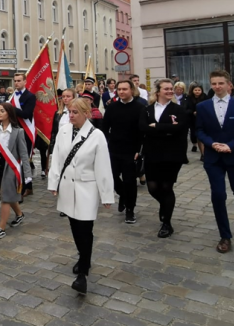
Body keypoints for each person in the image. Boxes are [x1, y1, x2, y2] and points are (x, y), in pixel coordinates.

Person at [48, 98, 114, 295]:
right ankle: (83, 256)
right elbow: (57, 159)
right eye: (70, 111)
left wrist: (106, 194)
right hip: (68, 186)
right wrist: (54, 182)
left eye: (76, 112)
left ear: (87, 114)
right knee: (75, 227)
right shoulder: (64, 131)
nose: (71, 115)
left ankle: (83, 273)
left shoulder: (97, 135)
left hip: (87, 188)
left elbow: (103, 166)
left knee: (85, 228)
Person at [196, 70, 234, 253]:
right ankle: (225, 236)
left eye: (220, 83)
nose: (217, 86)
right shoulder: (203, 106)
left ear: (229, 85)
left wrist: (231, 146)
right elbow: (199, 131)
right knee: (218, 195)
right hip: (214, 158)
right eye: (213, 83)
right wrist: (210, 143)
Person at [140, 79, 189, 238]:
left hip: (172, 154)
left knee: (167, 187)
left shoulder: (178, 109)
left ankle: (166, 223)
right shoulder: (147, 109)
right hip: (152, 153)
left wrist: (157, 127)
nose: (170, 91)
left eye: (171, 89)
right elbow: (142, 128)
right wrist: (166, 130)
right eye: (166, 89)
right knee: (153, 187)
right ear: (158, 91)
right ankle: (165, 205)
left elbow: (180, 128)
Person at [101, 80, 145, 224]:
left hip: (131, 151)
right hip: (113, 149)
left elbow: (142, 132)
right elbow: (104, 128)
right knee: (112, 178)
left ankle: (130, 210)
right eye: (119, 89)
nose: (121, 92)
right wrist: (105, 144)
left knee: (130, 181)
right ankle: (123, 196)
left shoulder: (140, 107)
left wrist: (139, 150)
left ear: (131, 90)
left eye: (125, 89)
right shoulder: (112, 107)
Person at [0, 103, 31, 239]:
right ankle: (19, 214)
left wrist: (27, 174)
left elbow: (23, 154)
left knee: (5, 196)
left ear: (9, 114)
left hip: (11, 166)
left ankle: (1, 228)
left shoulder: (18, 132)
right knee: (8, 193)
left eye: (2, 111)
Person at [9, 73, 37, 197]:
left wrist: (11, 108)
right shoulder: (12, 96)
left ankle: (28, 186)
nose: (16, 83)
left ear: (25, 81)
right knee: (16, 158)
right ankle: (18, 183)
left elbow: (26, 114)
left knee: (25, 159)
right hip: (14, 130)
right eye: (15, 81)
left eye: (19, 80)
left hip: (26, 131)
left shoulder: (30, 96)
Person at [187, 83, 207, 157]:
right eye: (195, 90)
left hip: (204, 119)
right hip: (193, 120)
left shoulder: (205, 97)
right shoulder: (189, 98)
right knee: (194, 135)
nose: (197, 91)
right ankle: (197, 147)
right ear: (192, 91)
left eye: (199, 90)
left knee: (202, 136)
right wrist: (192, 112)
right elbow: (186, 108)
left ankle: (203, 153)